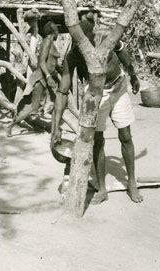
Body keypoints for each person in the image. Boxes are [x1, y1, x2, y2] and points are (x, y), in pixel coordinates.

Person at [52, 17, 143, 204]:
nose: (83, 44)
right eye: (78, 41)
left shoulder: (106, 37)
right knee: (98, 141)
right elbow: (62, 91)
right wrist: (55, 126)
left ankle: (132, 183)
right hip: (95, 94)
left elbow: (122, 51)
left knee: (125, 135)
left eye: (86, 38)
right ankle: (102, 189)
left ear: (92, 34)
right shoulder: (74, 55)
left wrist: (133, 74)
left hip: (117, 87)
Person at [4, 21, 61, 137]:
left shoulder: (49, 42)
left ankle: (55, 129)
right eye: (57, 32)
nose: (58, 35)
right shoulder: (48, 42)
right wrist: (49, 76)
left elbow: (51, 62)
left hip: (46, 78)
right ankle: (10, 125)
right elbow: (41, 62)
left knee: (57, 101)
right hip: (41, 79)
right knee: (33, 107)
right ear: (54, 32)